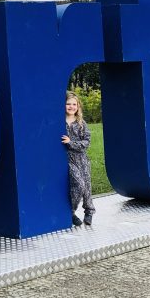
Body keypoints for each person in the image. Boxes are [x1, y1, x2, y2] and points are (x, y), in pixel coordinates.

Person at [61, 91, 94, 226]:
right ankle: (71, 212)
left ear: (78, 106)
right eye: (68, 104)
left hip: (81, 158)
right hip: (69, 160)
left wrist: (71, 143)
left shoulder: (81, 123)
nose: (71, 106)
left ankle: (89, 212)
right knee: (79, 184)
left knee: (86, 187)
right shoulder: (60, 122)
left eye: (74, 104)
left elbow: (86, 143)